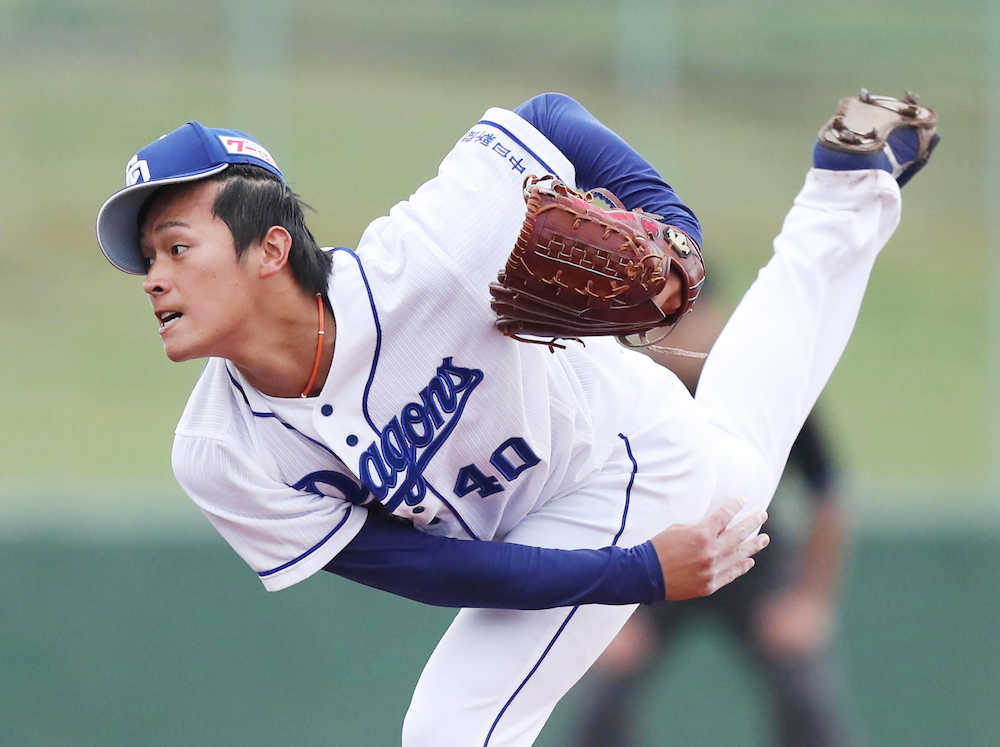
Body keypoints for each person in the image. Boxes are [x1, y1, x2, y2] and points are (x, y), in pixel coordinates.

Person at [94, 90, 936, 746]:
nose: (153, 278)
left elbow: (544, 119)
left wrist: (674, 231)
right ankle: (843, 191)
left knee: (453, 727)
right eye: (147, 259)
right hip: (561, 517)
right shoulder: (220, 452)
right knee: (743, 463)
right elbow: (435, 572)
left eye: (177, 247)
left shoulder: (425, 258)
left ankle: (842, 198)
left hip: (626, 458)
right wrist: (635, 575)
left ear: (271, 248)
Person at [574, 284, 852, 746]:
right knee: (600, 688)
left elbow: (828, 491)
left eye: (685, 315)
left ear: (719, 317)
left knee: (803, 693)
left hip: (747, 551)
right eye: (660, 318)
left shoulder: (761, 389)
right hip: (652, 555)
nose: (672, 331)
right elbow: (583, 499)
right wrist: (593, 608)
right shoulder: (627, 389)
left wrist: (811, 601)